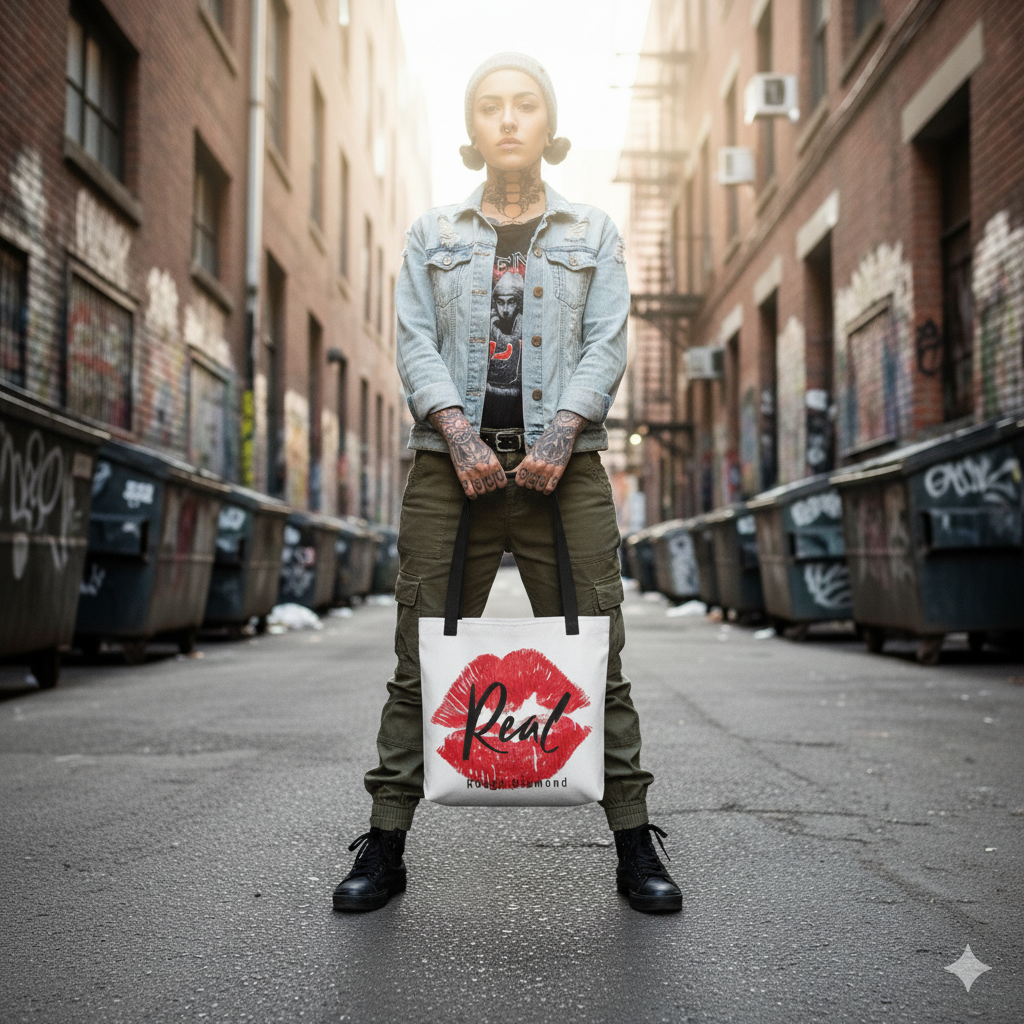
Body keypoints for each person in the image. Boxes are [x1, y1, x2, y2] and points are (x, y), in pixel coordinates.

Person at [332, 53, 682, 915]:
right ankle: (386, 842)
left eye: (526, 104)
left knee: (599, 658)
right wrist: (456, 433)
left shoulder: (592, 230)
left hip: (567, 472)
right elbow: (414, 341)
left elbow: (608, 341)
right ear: (473, 128)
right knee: (421, 659)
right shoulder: (432, 234)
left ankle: (634, 843)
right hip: (451, 473)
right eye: (491, 106)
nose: (509, 118)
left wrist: (562, 433)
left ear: (548, 124)